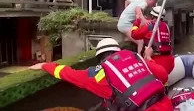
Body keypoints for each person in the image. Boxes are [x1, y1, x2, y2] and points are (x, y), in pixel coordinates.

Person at [29, 38, 173, 111]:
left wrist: (44, 65)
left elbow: (67, 73)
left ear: (100, 57)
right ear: (117, 50)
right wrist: (149, 58)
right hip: (166, 105)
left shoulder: (99, 73)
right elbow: (163, 75)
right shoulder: (135, 57)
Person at [131, 6, 175, 75]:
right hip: (170, 62)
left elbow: (134, 35)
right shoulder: (166, 26)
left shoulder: (150, 26)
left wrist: (137, 21)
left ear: (152, 16)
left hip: (156, 61)